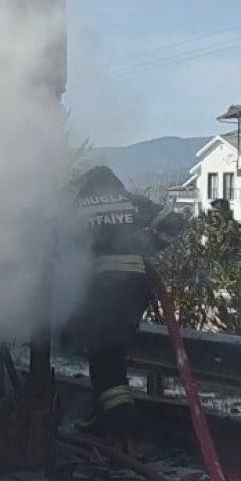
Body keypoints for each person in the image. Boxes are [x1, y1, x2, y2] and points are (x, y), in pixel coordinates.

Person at [64, 166, 184, 445]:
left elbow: (61, 248)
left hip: (102, 287)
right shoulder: (130, 200)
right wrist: (150, 246)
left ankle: (122, 425)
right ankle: (109, 416)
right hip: (135, 287)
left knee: (104, 355)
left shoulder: (77, 206)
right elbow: (174, 221)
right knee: (111, 352)